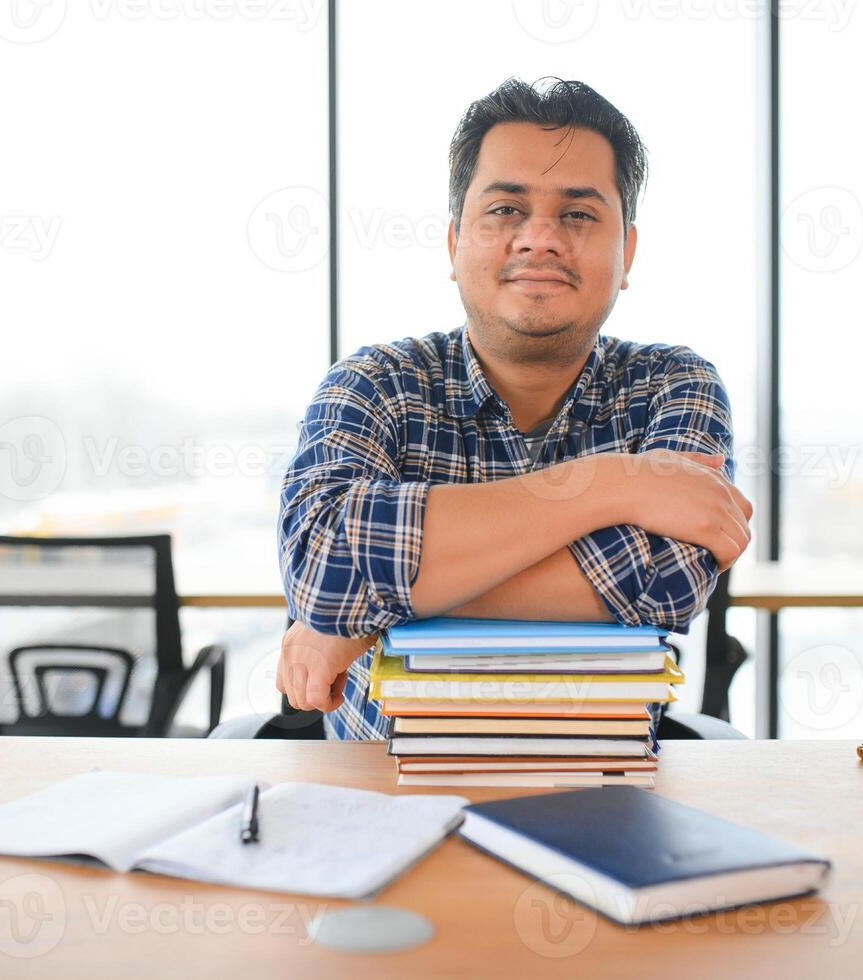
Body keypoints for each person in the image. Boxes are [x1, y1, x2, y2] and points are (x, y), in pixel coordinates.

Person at [275, 77, 753, 740]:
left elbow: (664, 579)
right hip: (381, 799)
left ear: (627, 254)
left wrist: (366, 616)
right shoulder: (375, 382)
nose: (540, 239)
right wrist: (618, 483)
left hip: (606, 794)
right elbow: (322, 563)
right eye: (505, 211)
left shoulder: (672, 383)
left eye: (579, 215)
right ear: (453, 244)